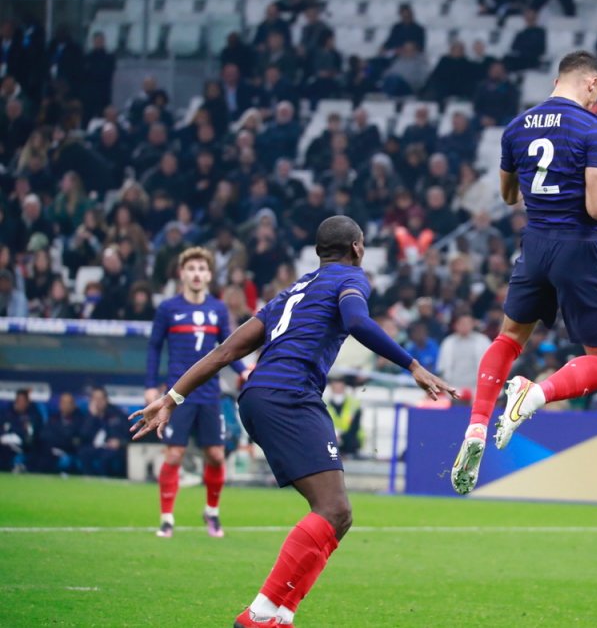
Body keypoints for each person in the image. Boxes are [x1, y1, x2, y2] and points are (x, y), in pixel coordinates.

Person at [129, 215, 457, 628]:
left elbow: (224, 352)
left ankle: (280, 615)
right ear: (357, 248)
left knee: (338, 514)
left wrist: (172, 397)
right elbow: (356, 321)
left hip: (260, 397)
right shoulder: (350, 280)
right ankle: (262, 612)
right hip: (289, 395)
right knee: (334, 508)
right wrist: (412, 365)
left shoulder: (291, 292)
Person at [450, 50, 597, 495]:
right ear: (590, 83)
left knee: (508, 338)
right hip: (578, 247)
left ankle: (476, 427)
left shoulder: (515, 128)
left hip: (534, 245)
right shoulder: (593, 127)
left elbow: (509, 194)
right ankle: (534, 396)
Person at [145, 248, 246, 539]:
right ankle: (166, 519)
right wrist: (151, 386)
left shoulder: (217, 309)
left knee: (215, 455)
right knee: (174, 454)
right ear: (182, 273)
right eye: (191, 269)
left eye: (202, 268)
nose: (197, 274)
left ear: (210, 275)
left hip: (209, 393)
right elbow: (154, 348)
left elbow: (228, 347)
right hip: (177, 394)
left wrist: (243, 371)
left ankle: (212, 513)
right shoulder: (167, 309)